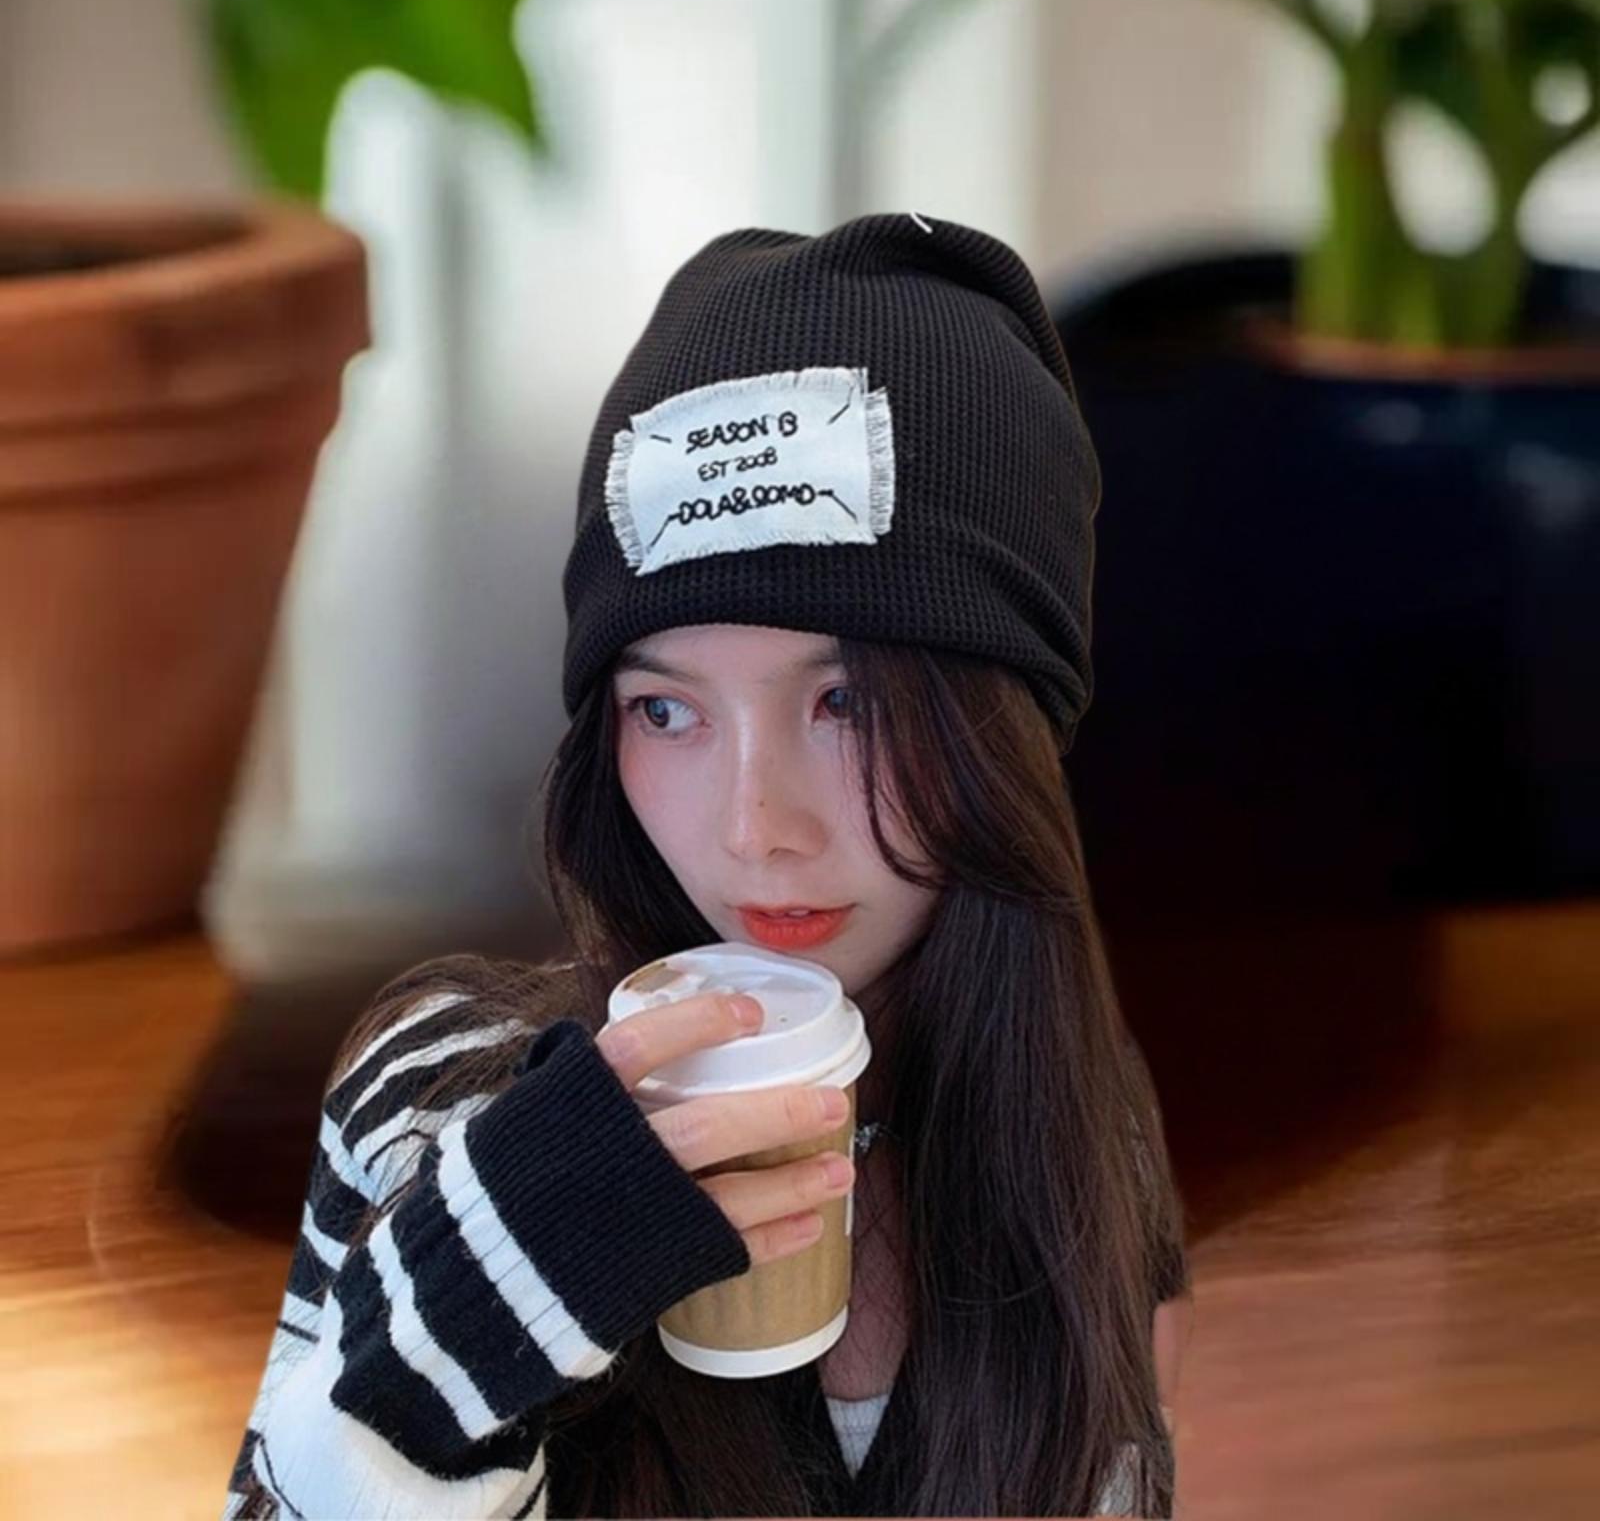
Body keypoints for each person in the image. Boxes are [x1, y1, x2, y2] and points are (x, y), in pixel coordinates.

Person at [222, 211, 1194, 1519]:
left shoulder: (1087, 1127)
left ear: (1005, 735)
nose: (753, 827)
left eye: (846, 703)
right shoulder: (444, 1099)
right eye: (667, 709)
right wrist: (491, 1290)